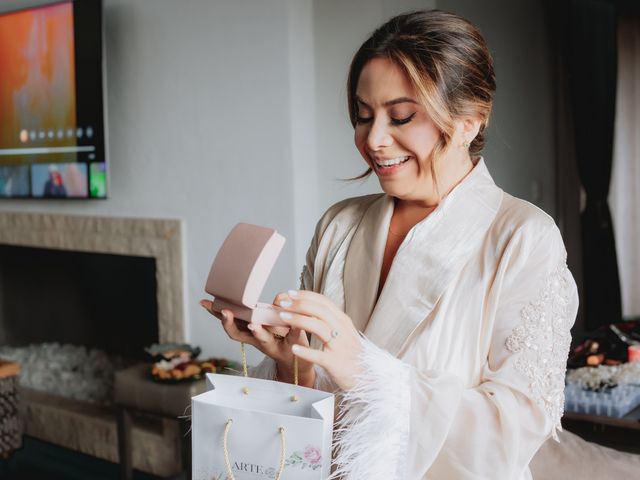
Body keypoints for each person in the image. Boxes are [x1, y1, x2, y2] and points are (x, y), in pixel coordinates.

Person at [201, 10, 579, 479]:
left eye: (401, 116)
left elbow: (517, 429)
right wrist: (289, 365)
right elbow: (312, 416)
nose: (374, 139)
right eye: (363, 116)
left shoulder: (523, 239)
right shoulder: (338, 226)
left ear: (470, 120)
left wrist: (366, 371)